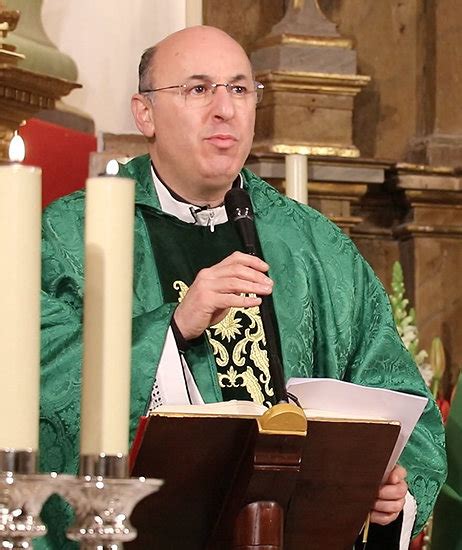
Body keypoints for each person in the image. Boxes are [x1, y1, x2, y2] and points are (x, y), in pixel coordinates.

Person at [38, 25, 446, 549]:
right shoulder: (74, 235)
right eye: (198, 88)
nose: (224, 109)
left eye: (239, 89)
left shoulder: (315, 246)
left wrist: (393, 492)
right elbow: (35, 378)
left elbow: (398, 393)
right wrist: (172, 327)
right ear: (145, 114)